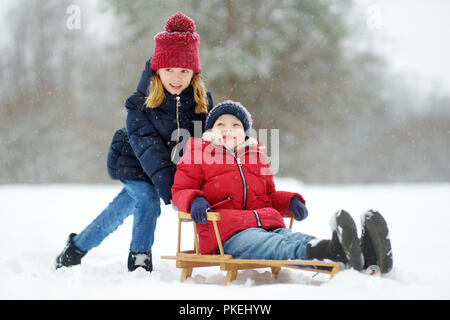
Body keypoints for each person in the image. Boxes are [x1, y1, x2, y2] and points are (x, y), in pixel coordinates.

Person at [55, 12, 214, 273]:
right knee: (147, 199)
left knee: (119, 210)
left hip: (170, 171)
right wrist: (172, 191)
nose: (177, 77)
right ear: (156, 70)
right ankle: (140, 257)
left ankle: (76, 247)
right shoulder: (140, 103)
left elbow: (208, 142)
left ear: (194, 73)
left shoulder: (201, 103)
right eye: (169, 70)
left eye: (184, 71)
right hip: (136, 161)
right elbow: (150, 150)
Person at [171, 100, 393, 273]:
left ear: (245, 131)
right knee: (275, 245)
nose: (228, 129)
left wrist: (289, 201)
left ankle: (364, 253)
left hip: (265, 222)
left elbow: (268, 195)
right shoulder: (198, 155)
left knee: (295, 238)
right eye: (221, 124)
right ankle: (332, 253)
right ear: (210, 130)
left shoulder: (255, 157)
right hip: (226, 233)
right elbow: (180, 190)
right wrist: (194, 200)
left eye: (235, 125)